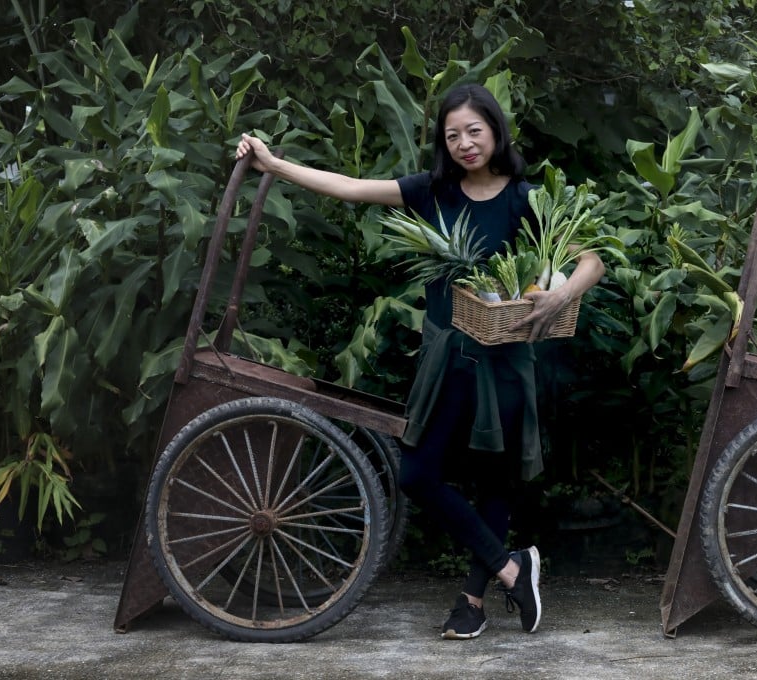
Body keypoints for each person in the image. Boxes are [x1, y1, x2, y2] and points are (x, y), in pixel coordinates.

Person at [236, 83, 604, 640]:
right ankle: (513, 569)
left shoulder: (526, 198)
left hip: (504, 360)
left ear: (496, 131)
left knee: (495, 481)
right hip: (447, 358)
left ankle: (472, 603)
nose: (464, 143)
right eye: (452, 134)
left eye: (474, 131)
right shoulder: (432, 191)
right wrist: (273, 164)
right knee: (418, 474)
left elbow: (592, 260)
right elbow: (351, 188)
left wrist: (559, 296)